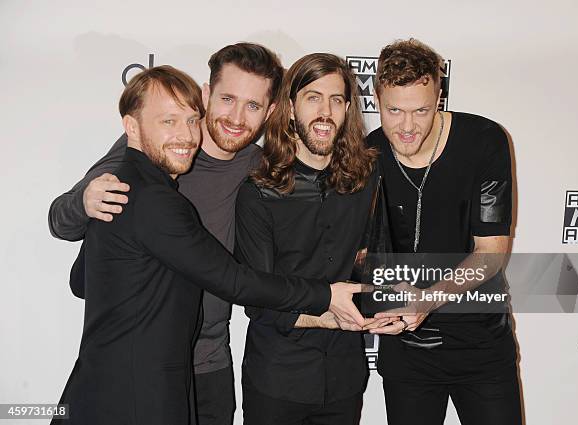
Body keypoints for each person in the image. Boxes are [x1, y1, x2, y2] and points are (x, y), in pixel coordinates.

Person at [51, 65, 366, 425]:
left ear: (271, 112)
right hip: (138, 388)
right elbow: (233, 280)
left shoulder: (251, 167)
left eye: (189, 121)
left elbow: (81, 280)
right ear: (132, 129)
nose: (185, 135)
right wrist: (325, 296)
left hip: (163, 370)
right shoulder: (143, 194)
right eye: (168, 122)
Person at [48, 42, 283, 425]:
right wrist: (82, 202)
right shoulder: (146, 147)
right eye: (227, 98)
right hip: (137, 362)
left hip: (209, 363)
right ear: (206, 95)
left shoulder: (259, 167)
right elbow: (60, 219)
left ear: (269, 112)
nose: (237, 117)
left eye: (253, 105)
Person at [367, 39, 522, 425]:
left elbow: (491, 252)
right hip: (406, 350)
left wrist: (428, 300)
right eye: (394, 110)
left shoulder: (483, 141)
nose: (406, 126)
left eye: (421, 110)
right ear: (376, 99)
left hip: (481, 344)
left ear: (439, 96)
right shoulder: (366, 155)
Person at [235, 53, 391, 425]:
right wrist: (332, 316)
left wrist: (398, 305)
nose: (326, 111)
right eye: (313, 97)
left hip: (345, 380)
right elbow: (258, 300)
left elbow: (376, 265)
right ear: (290, 108)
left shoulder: (367, 181)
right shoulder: (258, 193)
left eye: (336, 100)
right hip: (277, 381)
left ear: (349, 109)